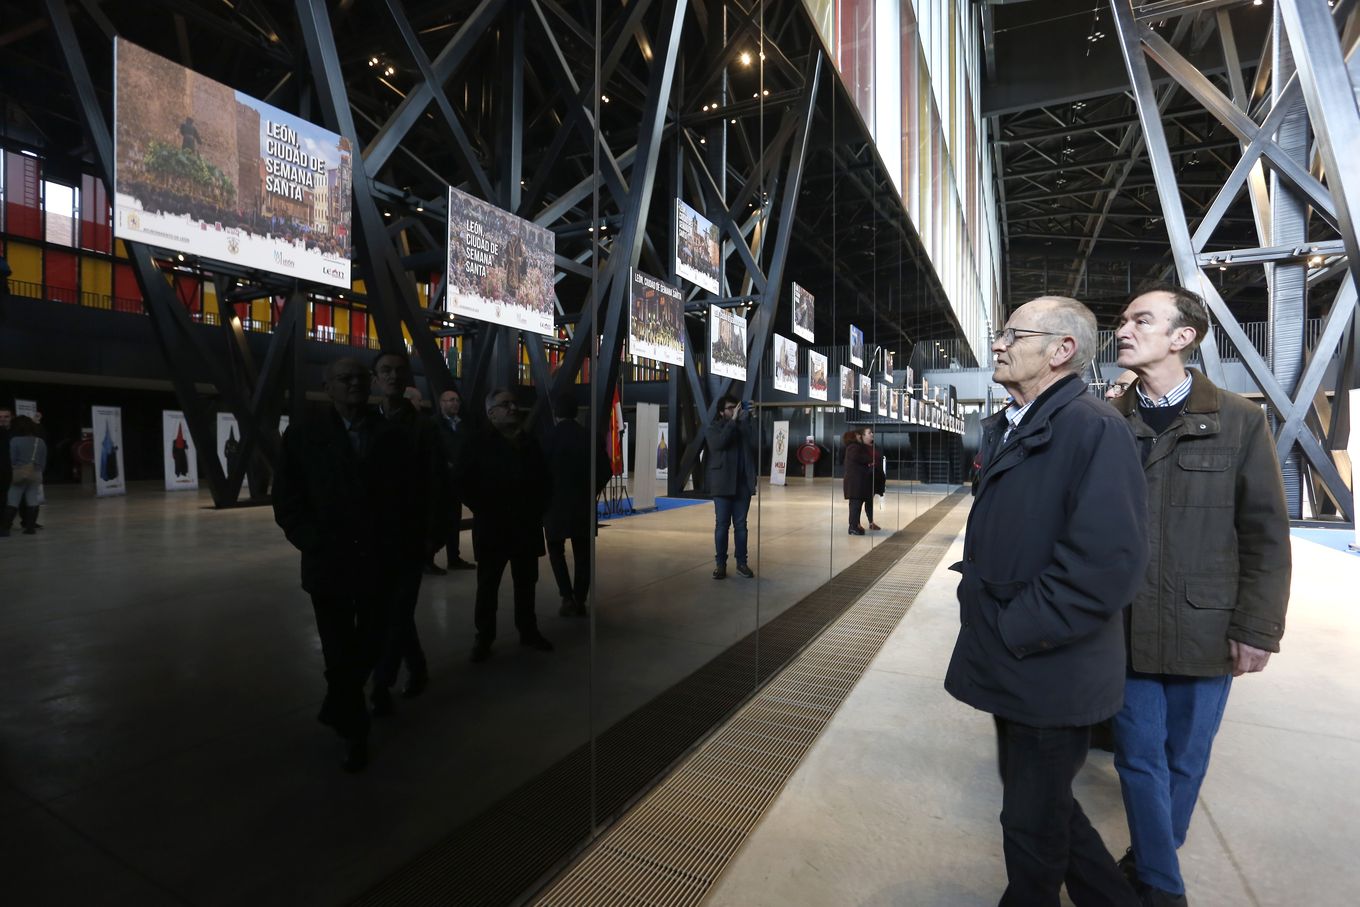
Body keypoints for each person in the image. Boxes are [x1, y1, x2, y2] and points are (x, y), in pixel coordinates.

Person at [944, 295, 1148, 907]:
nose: (998, 344)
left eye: (1013, 334)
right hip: (1026, 660)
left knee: (1031, 824)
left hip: (1047, 663)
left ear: (1062, 351)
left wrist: (1016, 627)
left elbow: (1107, 564)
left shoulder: (1092, 428)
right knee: (1047, 805)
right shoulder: (1023, 421)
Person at [1108, 286, 1291, 907]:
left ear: (1182, 337)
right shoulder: (1108, 421)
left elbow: (1265, 532)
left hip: (1206, 626)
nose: (1124, 328)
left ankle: (1149, 858)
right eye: (1125, 319)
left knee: (1186, 759)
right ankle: (1163, 885)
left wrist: (1259, 627)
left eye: (1141, 319)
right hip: (1125, 624)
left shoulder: (1241, 420)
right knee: (1139, 757)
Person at [272, 358, 423, 772]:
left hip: (379, 561)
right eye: (345, 379)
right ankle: (355, 733)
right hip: (330, 564)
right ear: (328, 385)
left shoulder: (390, 436)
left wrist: (405, 544)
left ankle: (336, 703)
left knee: (373, 642)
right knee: (339, 651)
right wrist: (312, 541)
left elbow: (408, 496)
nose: (354, 384)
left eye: (360, 378)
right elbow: (287, 498)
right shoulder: (304, 435)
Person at [369, 350, 442, 714]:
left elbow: (435, 484)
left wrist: (432, 535)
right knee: (391, 611)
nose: (393, 377)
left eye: (399, 371)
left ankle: (382, 682)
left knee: (397, 610)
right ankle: (418, 666)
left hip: (410, 534)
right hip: (374, 537)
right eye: (386, 371)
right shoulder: (368, 423)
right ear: (376, 378)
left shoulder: (425, 427)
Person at [458, 388, 554, 662]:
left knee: (527, 583)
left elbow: (545, 480)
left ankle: (528, 630)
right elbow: (462, 482)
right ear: (491, 413)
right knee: (488, 585)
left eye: (514, 404)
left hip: (525, 526)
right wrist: (486, 507)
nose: (513, 408)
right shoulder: (476, 443)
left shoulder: (529, 442)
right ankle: (484, 637)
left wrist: (539, 508)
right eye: (505, 404)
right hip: (493, 527)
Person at [543, 392, 611, 617]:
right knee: (583, 555)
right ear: (576, 412)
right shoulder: (590, 437)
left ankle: (567, 597)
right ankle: (580, 599)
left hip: (554, 507)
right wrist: (591, 492)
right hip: (583, 506)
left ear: (556, 413)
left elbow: (538, 473)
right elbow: (605, 471)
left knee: (556, 551)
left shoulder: (548, 438)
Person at [705, 394, 756, 579]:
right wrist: (733, 421)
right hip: (722, 484)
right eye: (730, 408)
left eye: (736, 407)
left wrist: (753, 418)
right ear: (721, 411)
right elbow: (719, 444)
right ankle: (721, 564)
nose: (734, 410)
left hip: (742, 485)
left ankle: (741, 563)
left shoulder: (744, 426)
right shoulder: (713, 428)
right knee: (722, 526)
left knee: (741, 526)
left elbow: (760, 442)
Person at [430, 388, 476, 573]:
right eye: (450, 400)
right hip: (441, 481)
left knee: (454, 520)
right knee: (439, 521)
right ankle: (428, 557)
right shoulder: (434, 425)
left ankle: (453, 558)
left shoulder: (462, 426)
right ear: (441, 403)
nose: (455, 403)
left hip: (457, 480)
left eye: (457, 400)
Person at [4, 415, 46, 537]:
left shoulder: (14, 441)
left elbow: (11, 459)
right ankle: (30, 527)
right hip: (36, 473)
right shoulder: (40, 441)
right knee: (32, 499)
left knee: (13, 499)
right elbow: (43, 460)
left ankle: (5, 528)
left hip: (18, 473)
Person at [841, 429, 877, 534]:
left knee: (855, 506)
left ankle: (855, 525)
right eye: (858, 436)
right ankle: (853, 527)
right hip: (855, 483)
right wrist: (869, 461)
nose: (859, 437)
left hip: (856, 483)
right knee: (855, 506)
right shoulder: (854, 447)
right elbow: (862, 458)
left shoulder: (852, 448)